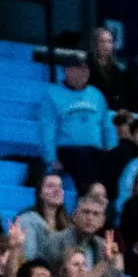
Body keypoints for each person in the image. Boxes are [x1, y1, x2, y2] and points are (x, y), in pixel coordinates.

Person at [41, 54, 116, 192]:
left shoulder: (96, 94)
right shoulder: (52, 94)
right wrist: (50, 159)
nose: (84, 73)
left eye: (86, 69)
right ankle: (87, 195)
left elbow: (107, 125)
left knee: (113, 163)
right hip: (68, 150)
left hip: (96, 150)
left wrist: (111, 148)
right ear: (67, 70)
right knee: (85, 160)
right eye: (80, 69)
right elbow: (48, 129)